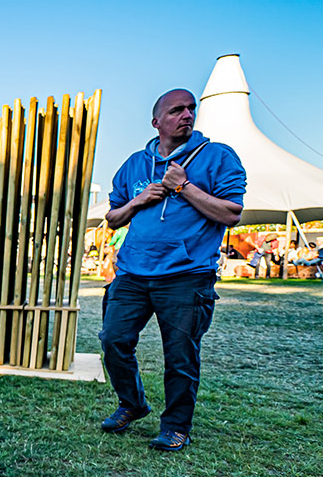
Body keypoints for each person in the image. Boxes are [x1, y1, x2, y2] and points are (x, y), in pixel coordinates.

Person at [99, 87, 245, 452]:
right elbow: (112, 217)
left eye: (190, 109)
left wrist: (183, 187)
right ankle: (132, 403)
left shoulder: (217, 156)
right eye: (177, 110)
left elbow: (231, 213)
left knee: (179, 354)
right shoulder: (135, 163)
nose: (187, 115)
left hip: (187, 275)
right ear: (156, 121)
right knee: (113, 340)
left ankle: (176, 425)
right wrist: (138, 200)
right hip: (132, 272)